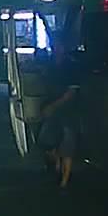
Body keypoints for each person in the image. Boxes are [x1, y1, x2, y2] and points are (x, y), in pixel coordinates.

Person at [38, 39, 79, 189]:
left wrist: (53, 106)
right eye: (55, 47)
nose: (57, 50)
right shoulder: (51, 65)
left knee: (67, 147)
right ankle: (57, 166)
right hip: (53, 111)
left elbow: (71, 93)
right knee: (46, 141)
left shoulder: (71, 66)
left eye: (59, 47)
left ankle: (64, 182)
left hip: (68, 112)